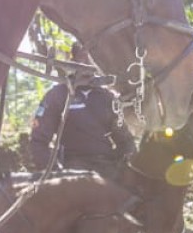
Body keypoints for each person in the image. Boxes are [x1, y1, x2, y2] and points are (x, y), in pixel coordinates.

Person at [28, 48, 134, 176]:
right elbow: (38, 141)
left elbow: (125, 141)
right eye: (82, 59)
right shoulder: (57, 95)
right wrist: (56, 173)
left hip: (106, 168)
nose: (87, 64)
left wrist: (125, 166)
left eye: (91, 59)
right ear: (73, 62)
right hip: (72, 170)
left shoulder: (107, 97)